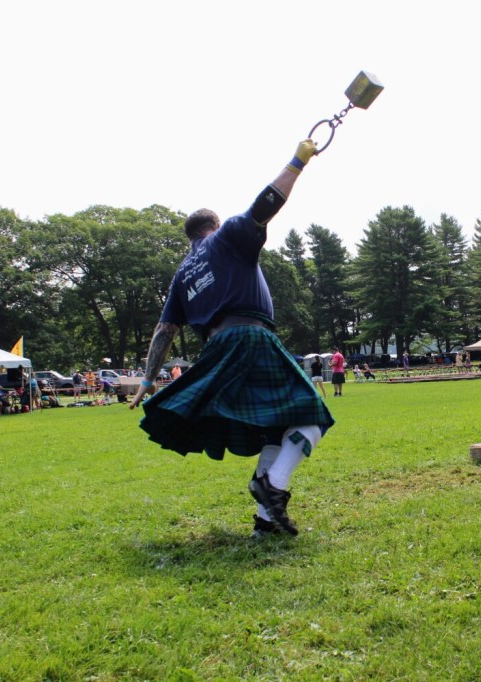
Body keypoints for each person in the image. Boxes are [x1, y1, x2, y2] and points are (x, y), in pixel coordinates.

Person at [130, 138, 333, 538]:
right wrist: (298, 161)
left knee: (278, 431)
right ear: (215, 226)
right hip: (251, 338)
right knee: (313, 416)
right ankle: (272, 487)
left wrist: (148, 380)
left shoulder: (183, 273)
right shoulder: (226, 239)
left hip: (218, 349)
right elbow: (264, 206)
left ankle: (265, 523)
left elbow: (164, 330)